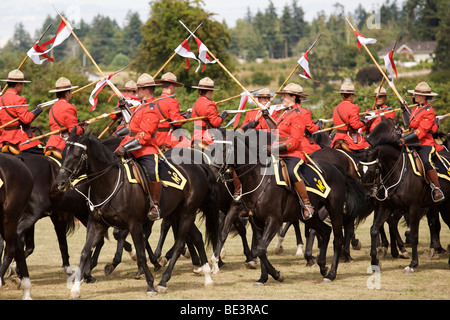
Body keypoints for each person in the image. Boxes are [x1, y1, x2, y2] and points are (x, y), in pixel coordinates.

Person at [115, 73, 162, 220]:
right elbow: (131, 126)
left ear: (146, 90)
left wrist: (126, 147)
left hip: (146, 149)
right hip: (130, 146)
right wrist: (123, 109)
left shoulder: (152, 108)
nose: (137, 92)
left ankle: (155, 205)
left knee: (151, 172)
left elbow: (144, 135)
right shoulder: (141, 106)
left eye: (139, 89)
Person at [264, 83, 314, 220]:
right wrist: (266, 117)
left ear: (294, 97)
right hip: (278, 151)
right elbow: (277, 131)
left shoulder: (297, 115)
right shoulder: (284, 112)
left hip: (293, 154)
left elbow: (295, 141)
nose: (283, 98)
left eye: (285, 96)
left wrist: (274, 148)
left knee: (292, 172)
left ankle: (307, 204)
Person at [400, 81, 444, 202]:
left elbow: (421, 131)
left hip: (425, 143)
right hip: (412, 141)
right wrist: (404, 111)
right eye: (414, 94)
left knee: (425, 161)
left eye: (416, 94)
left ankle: (436, 188)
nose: (414, 96)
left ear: (424, 97)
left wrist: (405, 139)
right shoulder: (415, 109)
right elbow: (409, 124)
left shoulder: (429, 111)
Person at [0, 69, 44, 154]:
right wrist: (36, 111)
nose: (23, 86)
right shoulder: (19, 99)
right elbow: (26, 119)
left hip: (4, 139)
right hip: (19, 140)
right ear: (18, 84)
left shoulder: (1, 99)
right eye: (23, 84)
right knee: (43, 155)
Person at [45, 77, 86, 159]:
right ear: (67, 93)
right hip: (63, 144)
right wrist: (82, 128)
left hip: (51, 142)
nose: (71, 94)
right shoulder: (69, 107)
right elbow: (74, 131)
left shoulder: (53, 107)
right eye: (70, 92)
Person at [154, 72, 190, 150]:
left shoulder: (155, 101)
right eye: (175, 87)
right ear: (171, 86)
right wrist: (185, 117)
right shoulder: (172, 101)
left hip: (157, 138)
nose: (175, 89)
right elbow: (176, 121)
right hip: (168, 138)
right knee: (189, 147)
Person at [331, 82, 370, 152]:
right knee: (369, 149)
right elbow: (355, 125)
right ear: (351, 95)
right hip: (348, 138)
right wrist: (364, 121)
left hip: (337, 137)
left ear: (342, 95)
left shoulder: (336, 108)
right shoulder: (353, 107)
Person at [191, 77, 228, 148]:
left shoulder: (196, 103)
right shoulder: (209, 104)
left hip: (196, 137)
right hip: (206, 138)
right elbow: (216, 123)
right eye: (212, 91)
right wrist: (223, 116)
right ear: (209, 92)